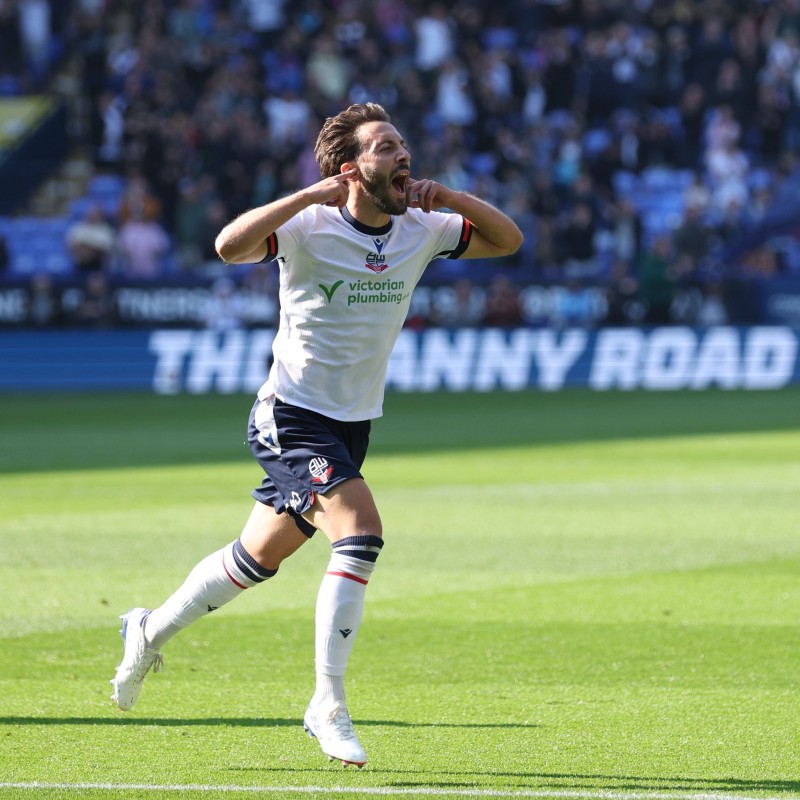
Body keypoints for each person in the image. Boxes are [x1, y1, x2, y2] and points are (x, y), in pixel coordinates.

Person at [109, 102, 522, 768]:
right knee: (360, 532)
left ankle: (147, 629)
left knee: (256, 559)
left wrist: (448, 195)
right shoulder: (308, 227)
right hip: (290, 415)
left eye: (403, 145)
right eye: (386, 146)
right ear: (350, 167)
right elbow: (227, 246)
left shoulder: (422, 225)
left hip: (350, 424)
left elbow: (508, 241)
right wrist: (311, 192)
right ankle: (327, 702)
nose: (403, 155)